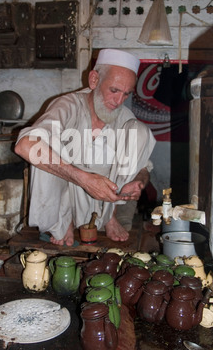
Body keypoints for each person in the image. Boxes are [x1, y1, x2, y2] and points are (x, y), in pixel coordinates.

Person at [15, 49, 156, 247]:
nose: (118, 102)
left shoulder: (124, 118)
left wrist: (138, 182)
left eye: (126, 94)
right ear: (94, 80)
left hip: (104, 201)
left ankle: (110, 216)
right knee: (43, 144)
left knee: (139, 131)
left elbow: (143, 167)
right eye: (114, 90)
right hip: (65, 195)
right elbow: (24, 145)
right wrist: (83, 178)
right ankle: (61, 223)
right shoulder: (68, 105)